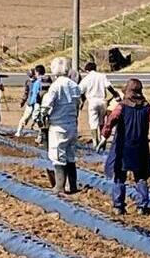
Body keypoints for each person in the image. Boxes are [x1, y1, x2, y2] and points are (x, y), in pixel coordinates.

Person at [101, 79, 150, 215]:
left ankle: (118, 206)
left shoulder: (122, 106)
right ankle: (142, 206)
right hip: (140, 147)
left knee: (119, 176)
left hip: (123, 146)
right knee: (141, 177)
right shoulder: (147, 107)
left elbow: (111, 120)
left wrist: (105, 135)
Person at [40, 57, 81, 194]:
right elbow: (78, 104)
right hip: (72, 124)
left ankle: (59, 186)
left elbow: (46, 105)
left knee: (58, 154)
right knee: (70, 154)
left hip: (58, 125)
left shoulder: (56, 86)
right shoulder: (74, 86)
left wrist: (41, 117)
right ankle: (73, 185)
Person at [79, 61, 120, 150]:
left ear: (87, 70)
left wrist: (82, 101)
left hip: (92, 102)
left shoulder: (86, 79)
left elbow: (80, 91)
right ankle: (102, 140)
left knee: (93, 122)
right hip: (102, 101)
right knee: (102, 122)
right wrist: (116, 95)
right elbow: (109, 87)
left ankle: (95, 141)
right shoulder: (102, 76)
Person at [15, 68, 37, 136]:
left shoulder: (38, 82)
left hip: (37, 103)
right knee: (25, 118)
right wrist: (22, 101)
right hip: (30, 103)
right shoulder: (28, 82)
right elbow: (26, 93)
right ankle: (19, 131)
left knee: (36, 118)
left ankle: (38, 133)